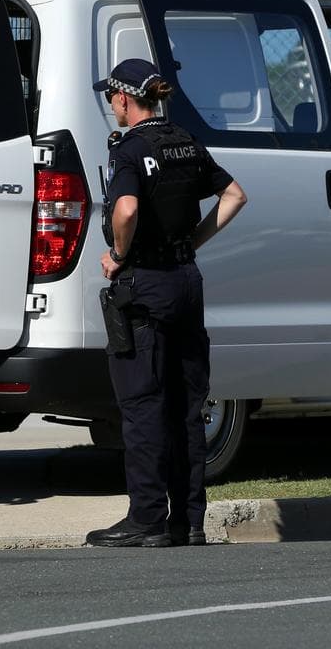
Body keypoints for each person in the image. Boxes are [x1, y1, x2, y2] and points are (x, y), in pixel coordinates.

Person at [85, 58, 248, 548]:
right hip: (185, 282)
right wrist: (192, 244)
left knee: (142, 404)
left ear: (123, 99)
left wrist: (117, 254)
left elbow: (128, 209)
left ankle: (147, 519)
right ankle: (188, 520)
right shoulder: (185, 141)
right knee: (186, 404)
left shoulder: (131, 149)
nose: (112, 105)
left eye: (112, 97)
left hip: (146, 287)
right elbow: (235, 196)